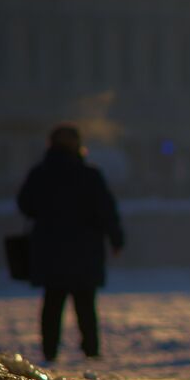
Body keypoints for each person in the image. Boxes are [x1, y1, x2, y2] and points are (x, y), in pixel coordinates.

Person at [16, 124, 124, 363]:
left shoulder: (40, 174)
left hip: (50, 249)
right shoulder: (89, 175)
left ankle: (50, 352)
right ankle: (91, 351)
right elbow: (106, 211)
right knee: (86, 304)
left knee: (52, 303)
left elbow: (25, 204)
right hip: (84, 250)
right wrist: (116, 239)